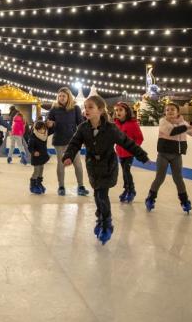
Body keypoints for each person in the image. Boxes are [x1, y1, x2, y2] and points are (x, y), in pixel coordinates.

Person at [63, 95, 149, 245]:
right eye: (85, 107)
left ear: (100, 110)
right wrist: (68, 156)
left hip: (108, 166)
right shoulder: (83, 127)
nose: (86, 110)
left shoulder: (111, 128)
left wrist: (142, 156)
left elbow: (127, 142)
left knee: (102, 194)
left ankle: (106, 223)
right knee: (97, 194)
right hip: (92, 166)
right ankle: (101, 218)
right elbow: (74, 143)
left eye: (90, 107)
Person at [145, 103, 192, 214]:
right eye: (167, 110)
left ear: (178, 112)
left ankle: (185, 201)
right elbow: (171, 131)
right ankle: (150, 198)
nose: (169, 111)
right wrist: (186, 127)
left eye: (172, 109)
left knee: (178, 179)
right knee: (160, 178)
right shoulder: (163, 122)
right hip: (163, 155)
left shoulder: (183, 123)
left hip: (176, 156)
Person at [47, 87, 89, 196]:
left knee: (78, 164)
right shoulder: (54, 109)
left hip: (73, 141)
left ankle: (80, 186)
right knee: (61, 164)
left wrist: (83, 138)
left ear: (68, 97)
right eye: (60, 96)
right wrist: (50, 125)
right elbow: (49, 127)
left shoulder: (75, 108)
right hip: (59, 141)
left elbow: (80, 124)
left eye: (63, 96)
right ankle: (61, 186)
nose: (61, 98)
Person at [113, 102, 144, 203]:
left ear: (126, 112)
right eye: (116, 110)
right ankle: (127, 189)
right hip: (120, 153)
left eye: (121, 110)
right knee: (124, 172)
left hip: (129, 153)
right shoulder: (116, 124)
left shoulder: (133, 124)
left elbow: (140, 138)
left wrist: (134, 148)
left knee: (126, 171)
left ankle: (132, 190)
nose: (118, 112)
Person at [27, 121, 52, 194]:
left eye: (43, 129)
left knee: (41, 170)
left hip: (42, 157)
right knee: (36, 171)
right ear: (36, 129)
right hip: (36, 158)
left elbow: (52, 129)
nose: (42, 131)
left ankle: (39, 183)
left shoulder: (45, 135)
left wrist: (51, 125)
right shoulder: (33, 137)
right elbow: (30, 147)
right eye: (40, 129)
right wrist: (34, 152)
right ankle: (32, 185)